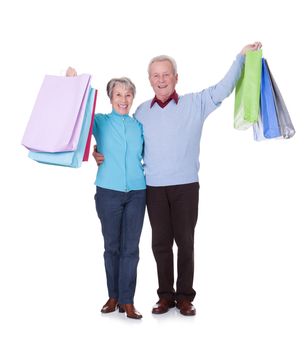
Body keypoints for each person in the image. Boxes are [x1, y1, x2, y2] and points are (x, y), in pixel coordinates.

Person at [93, 42, 262, 316]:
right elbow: (122, 142)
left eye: (166, 74)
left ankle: (184, 296)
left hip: (185, 185)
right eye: (156, 75)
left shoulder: (197, 102)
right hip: (153, 188)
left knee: (185, 241)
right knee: (160, 244)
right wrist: (98, 151)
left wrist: (241, 58)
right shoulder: (140, 113)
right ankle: (164, 296)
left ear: (176, 77)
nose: (161, 80)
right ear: (150, 80)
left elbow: (224, 87)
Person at [67, 68, 146, 319]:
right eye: (118, 95)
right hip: (108, 193)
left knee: (131, 249)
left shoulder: (139, 126)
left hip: (137, 192)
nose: (123, 100)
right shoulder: (100, 121)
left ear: (133, 98)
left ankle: (128, 301)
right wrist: (73, 85)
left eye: (128, 95)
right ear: (110, 98)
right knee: (111, 247)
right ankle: (113, 297)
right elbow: (77, 114)